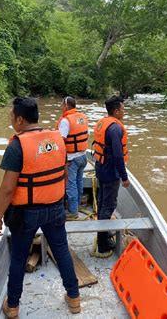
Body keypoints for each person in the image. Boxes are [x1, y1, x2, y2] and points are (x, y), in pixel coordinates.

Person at [0, 97, 81, 317]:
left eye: (12, 116)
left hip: (26, 213)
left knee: (19, 257)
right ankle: (74, 298)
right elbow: (65, 173)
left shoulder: (16, 146)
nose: (11, 120)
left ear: (20, 119)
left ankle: (12, 307)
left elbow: (7, 190)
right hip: (55, 208)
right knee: (62, 251)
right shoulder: (58, 139)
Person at [92, 95, 130, 256]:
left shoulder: (103, 122)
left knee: (102, 203)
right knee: (108, 205)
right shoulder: (115, 128)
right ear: (115, 111)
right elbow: (118, 155)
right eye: (122, 108)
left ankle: (103, 233)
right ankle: (103, 245)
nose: (124, 111)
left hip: (101, 167)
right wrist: (124, 177)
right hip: (110, 171)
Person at [55, 96, 89, 220]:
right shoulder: (82, 117)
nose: (60, 107)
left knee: (70, 185)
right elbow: (86, 134)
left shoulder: (65, 121)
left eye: (61, 105)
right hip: (83, 156)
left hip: (72, 159)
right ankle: (77, 206)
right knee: (79, 182)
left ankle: (73, 212)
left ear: (66, 105)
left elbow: (61, 140)